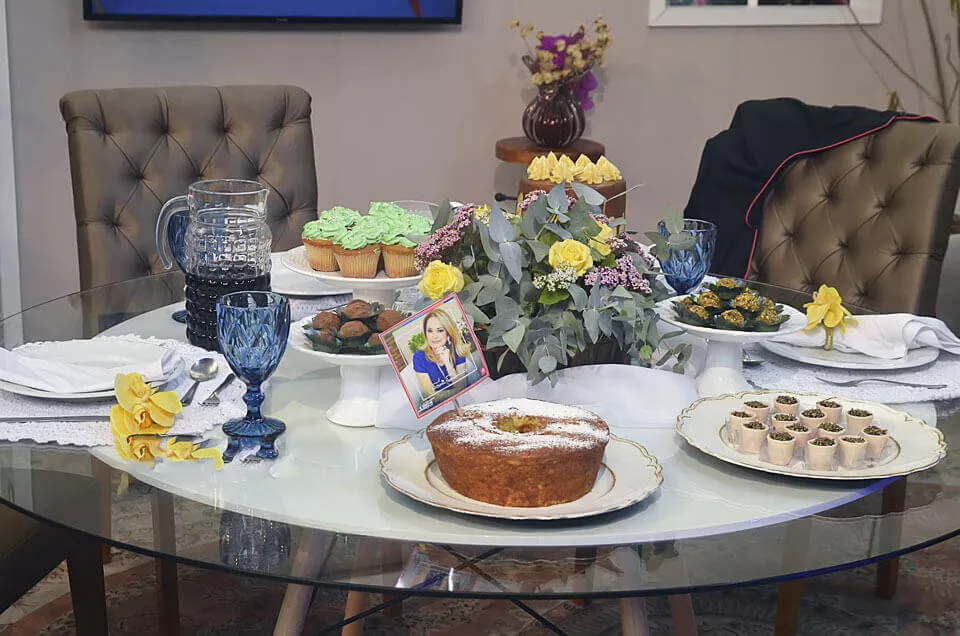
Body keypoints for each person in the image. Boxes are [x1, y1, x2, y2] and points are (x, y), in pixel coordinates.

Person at [412, 308, 471, 403]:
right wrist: (458, 391)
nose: (434, 336)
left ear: (448, 332)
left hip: (464, 400)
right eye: (430, 331)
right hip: (439, 406)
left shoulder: (457, 349)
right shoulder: (419, 357)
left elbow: (462, 385)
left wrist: (447, 363)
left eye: (440, 330)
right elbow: (432, 396)